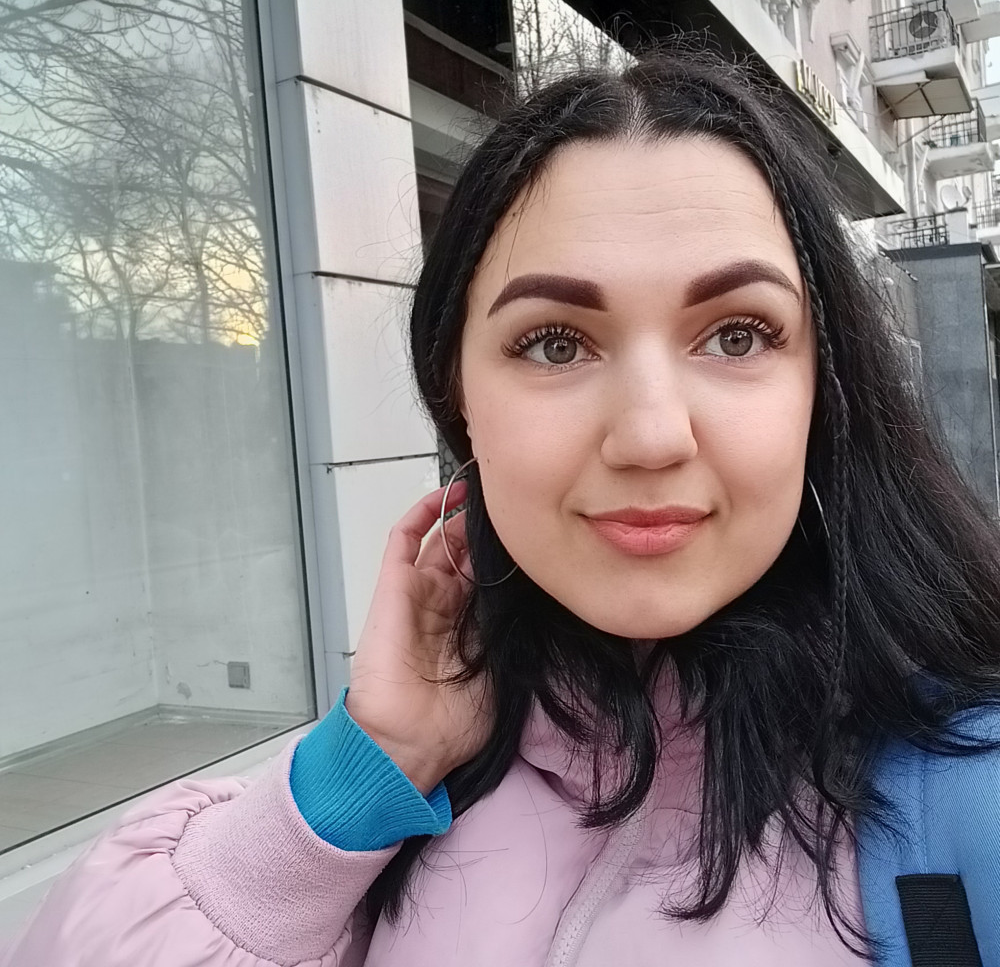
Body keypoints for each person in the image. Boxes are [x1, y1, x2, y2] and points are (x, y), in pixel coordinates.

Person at [5, 49, 1000, 967]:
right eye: (556, 344)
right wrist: (367, 768)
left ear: (824, 388)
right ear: (459, 399)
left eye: (736, 335)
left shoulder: (964, 787)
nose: (651, 434)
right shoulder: (422, 762)